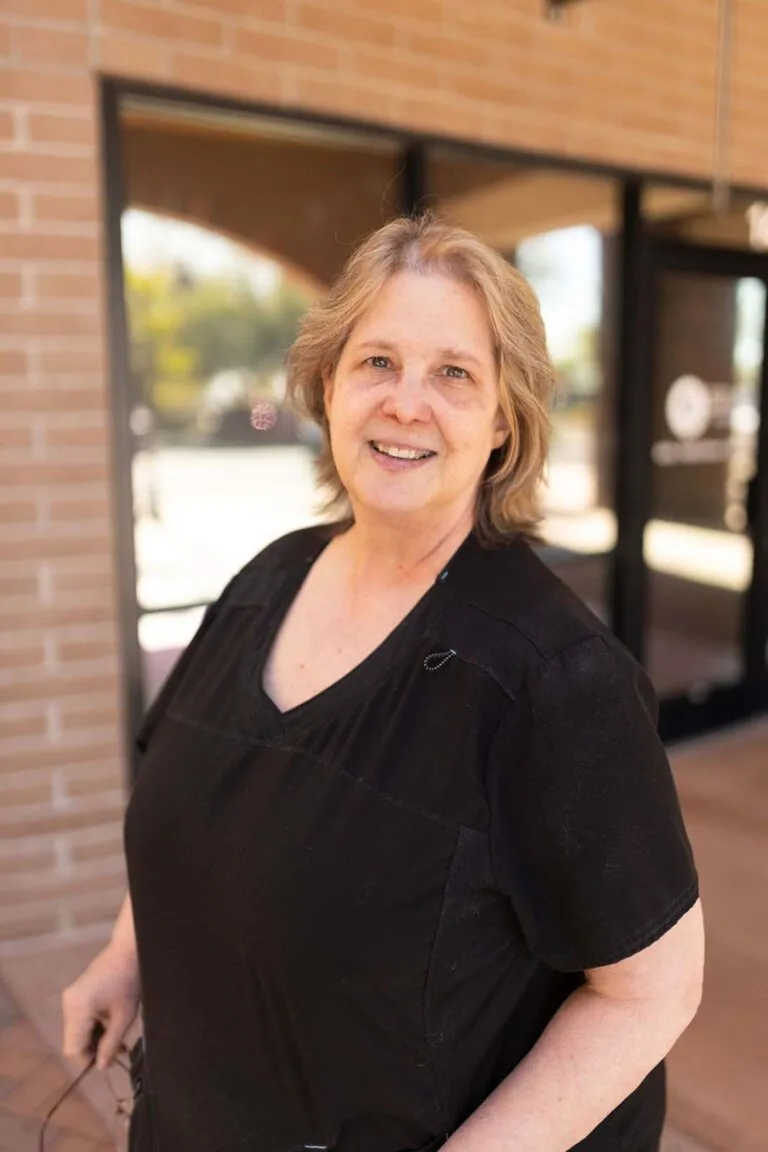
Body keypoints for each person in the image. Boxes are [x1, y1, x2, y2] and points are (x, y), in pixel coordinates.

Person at [62, 214, 704, 1152]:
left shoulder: (553, 679)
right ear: (330, 387)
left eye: (454, 373)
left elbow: (653, 989)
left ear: (503, 424)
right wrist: (127, 955)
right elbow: (193, 807)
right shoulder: (265, 583)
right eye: (377, 363)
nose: (407, 402)